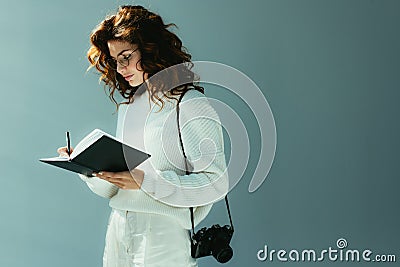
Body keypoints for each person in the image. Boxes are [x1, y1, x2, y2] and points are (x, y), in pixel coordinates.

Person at [58, 5, 228, 267]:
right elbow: (116, 187)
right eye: (116, 60)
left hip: (162, 234)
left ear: (151, 49)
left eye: (126, 56)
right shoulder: (131, 106)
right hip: (118, 228)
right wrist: (87, 167)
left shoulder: (190, 104)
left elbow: (214, 184)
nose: (121, 67)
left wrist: (146, 181)